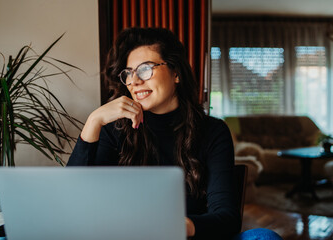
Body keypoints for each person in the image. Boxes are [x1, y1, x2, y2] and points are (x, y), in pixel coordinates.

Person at [68, 27, 283, 240]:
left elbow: (227, 218)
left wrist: (180, 226)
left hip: (188, 236)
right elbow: (72, 206)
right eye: (129, 73)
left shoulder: (212, 132)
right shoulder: (114, 130)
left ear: (176, 73)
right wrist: (93, 121)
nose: (134, 81)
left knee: (263, 237)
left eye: (145, 69)